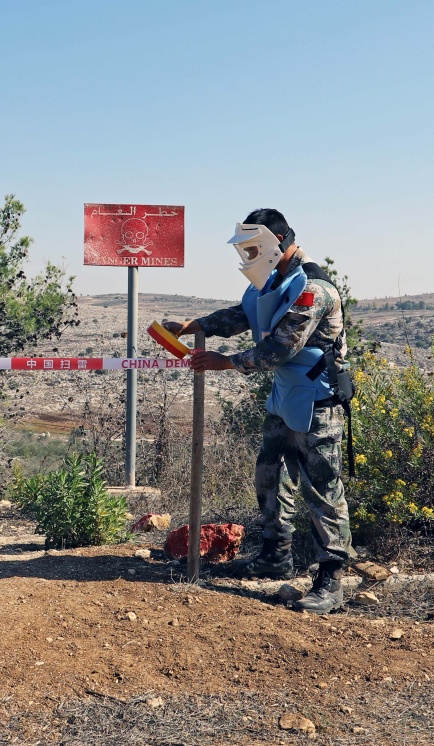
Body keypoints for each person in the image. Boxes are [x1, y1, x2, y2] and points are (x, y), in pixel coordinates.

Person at [164, 208, 354, 614]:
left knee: (321, 490)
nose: (249, 256)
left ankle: (331, 580)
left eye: (254, 247)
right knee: (268, 477)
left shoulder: (314, 291)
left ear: (277, 243)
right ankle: (275, 555)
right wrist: (194, 324)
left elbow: (281, 347)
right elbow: (241, 316)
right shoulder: (272, 284)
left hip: (316, 403)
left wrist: (225, 362)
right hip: (286, 397)